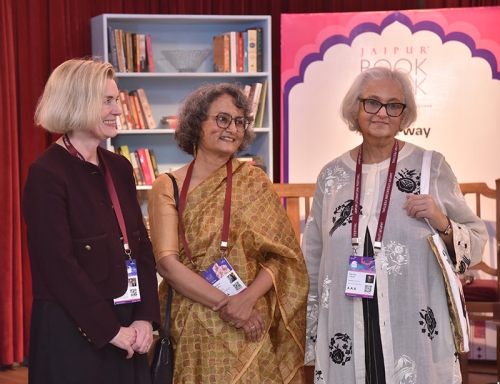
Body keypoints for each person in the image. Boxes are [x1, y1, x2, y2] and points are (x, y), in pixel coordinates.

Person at [303, 67, 488, 383]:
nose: (382, 113)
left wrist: (440, 220)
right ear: (356, 108)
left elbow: (477, 241)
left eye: (393, 105)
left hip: (409, 317)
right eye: (372, 102)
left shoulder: (431, 166)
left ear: (404, 115)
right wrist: (309, 328)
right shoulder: (331, 175)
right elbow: (312, 257)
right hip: (345, 317)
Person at [148, 83, 309, 383]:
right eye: (222, 119)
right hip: (195, 314)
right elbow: (167, 264)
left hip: (251, 318)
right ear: (197, 123)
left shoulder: (255, 182)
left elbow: (283, 258)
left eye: (239, 122)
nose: (232, 129)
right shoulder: (167, 186)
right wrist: (230, 306)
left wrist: (247, 301)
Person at [23, 58, 161, 384]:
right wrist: (110, 330)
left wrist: (144, 319)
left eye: (118, 100)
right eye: (108, 101)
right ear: (77, 103)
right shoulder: (46, 173)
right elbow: (57, 267)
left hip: (128, 330)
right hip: (73, 334)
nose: (118, 110)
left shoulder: (120, 167)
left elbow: (140, 249)